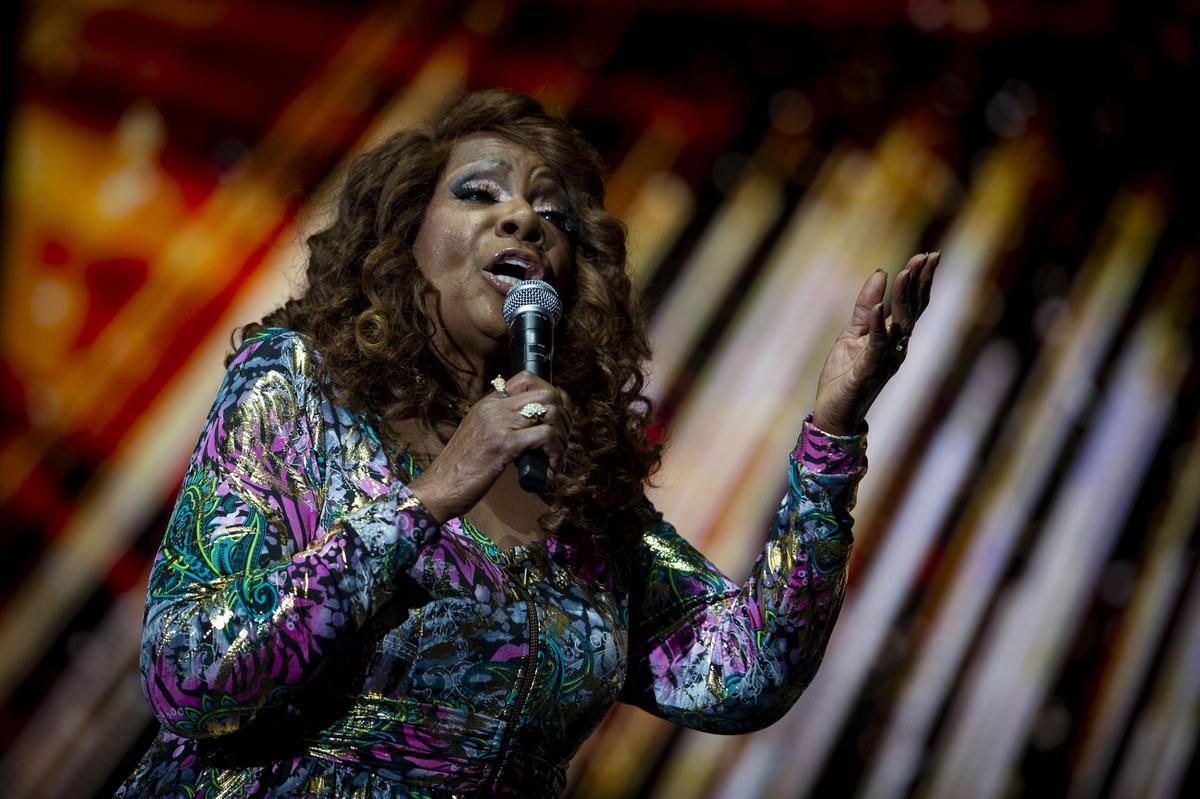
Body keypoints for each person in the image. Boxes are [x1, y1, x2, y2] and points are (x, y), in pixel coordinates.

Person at [116, 89, 938, 798]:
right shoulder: (300, 385)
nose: (523, 219)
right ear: (405, 234)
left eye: (554, 218)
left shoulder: (579, 491)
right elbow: (190, 674)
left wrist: (834, 430)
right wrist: (430, 496)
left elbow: (744, 672)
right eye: (479, 193)